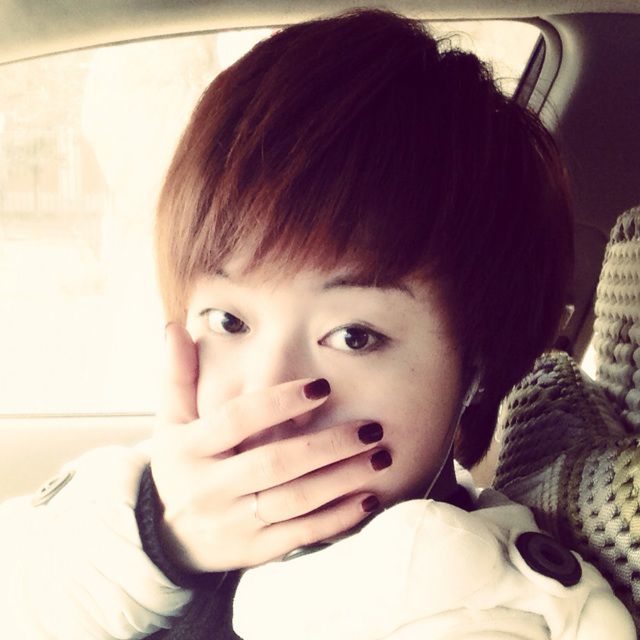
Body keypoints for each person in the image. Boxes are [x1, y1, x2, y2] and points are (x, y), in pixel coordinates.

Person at [1, 8, 635, 639]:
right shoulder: (149, 506)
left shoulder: (477, 609)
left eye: (354, 336)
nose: (268, 396)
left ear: (476, 368)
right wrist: (155, 543)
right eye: (228, 320)